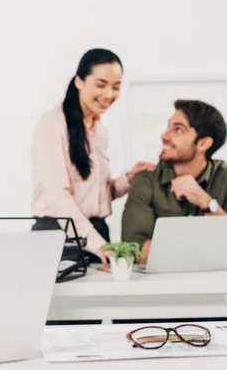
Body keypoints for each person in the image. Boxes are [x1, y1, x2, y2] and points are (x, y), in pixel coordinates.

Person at [31, 49, 155, 267]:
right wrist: (99, 245)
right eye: (101, 84)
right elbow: (57, 197)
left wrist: (128, 180)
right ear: (79, 81)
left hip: (96, 232)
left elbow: (94, 195)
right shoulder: (53, 124)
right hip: (59, 237)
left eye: (116, 87)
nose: (109, 94)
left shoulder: (100, 130)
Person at [121, 99, 227, 263]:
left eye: (178, 129)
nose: (164, 136)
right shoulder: (147, 179)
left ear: (203, 143)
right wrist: (214, 250)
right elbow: (132, 249)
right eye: (168, 127)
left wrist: (207, 202)